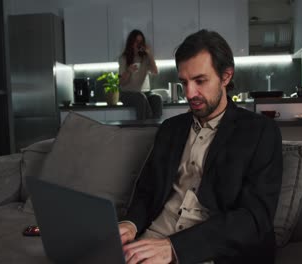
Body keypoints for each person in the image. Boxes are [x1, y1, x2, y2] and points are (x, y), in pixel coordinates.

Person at [118, 29, 283, 264]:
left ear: (225, 76)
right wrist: (130, 224)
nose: (189, 93)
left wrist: (173, 248)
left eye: (200, 81)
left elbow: (253, 219)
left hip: (210, 251)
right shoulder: (170, 129)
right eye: (184, 82)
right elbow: (147, 190)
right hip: (152, 240)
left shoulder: (260, 132)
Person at [119, 29, 162, 120]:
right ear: (131, 43)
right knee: (140, 98)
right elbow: (122, 83)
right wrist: (129, 71)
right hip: (127, 94)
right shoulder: (124, 58)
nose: (139, 44)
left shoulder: (145, 58)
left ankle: (155, 128)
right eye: (136, 41)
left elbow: (155, 72)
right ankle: (143, 127)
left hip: (144, 92)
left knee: (157, 98)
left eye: (141, 42)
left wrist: (149, 55)